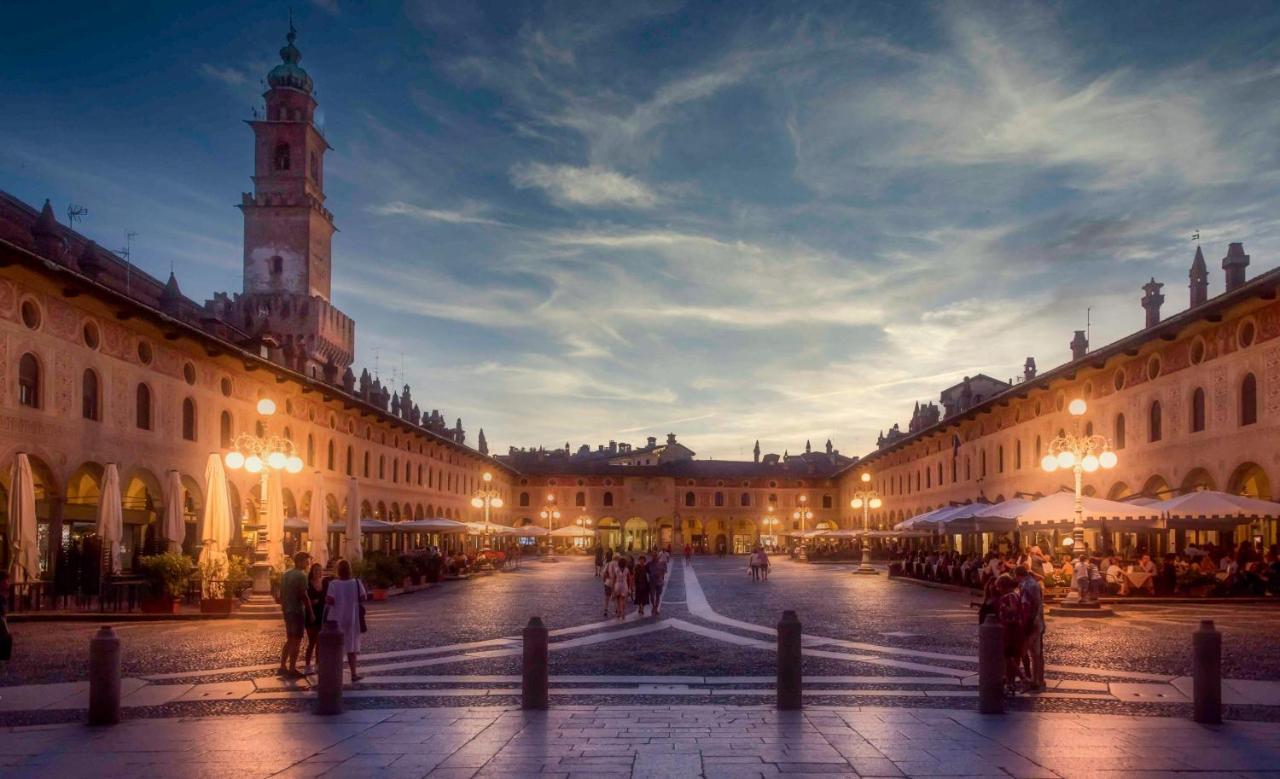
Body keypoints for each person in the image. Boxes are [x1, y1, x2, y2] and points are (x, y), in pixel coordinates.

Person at [325, 558, 367, 683]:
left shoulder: (333, 584)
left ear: (338, 570)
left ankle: (334, 674)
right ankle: (353, 673)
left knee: (335, 647)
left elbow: (329, 600)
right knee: (351, 646)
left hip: (336, 618)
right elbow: (363, 597)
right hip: (352, 617)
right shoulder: (356, 582)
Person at [278, 551, 312, 679]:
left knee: (290, 639)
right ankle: (292, 668)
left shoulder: (286, 574)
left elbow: (280, 595)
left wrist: (284, 607)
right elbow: (304, 595)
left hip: (287, 611)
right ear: (300, 561)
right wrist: (311, 612)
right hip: (297, 611)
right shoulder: (301, 576)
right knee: (296, 641)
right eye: (306, 560)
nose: (308, 563)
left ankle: (282, 666)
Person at [995, 574, 1026, 695]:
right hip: (1015, 628)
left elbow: (1013, 609)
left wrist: (1003, 607)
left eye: (999, 587)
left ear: (1004, 586)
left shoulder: (1010, 596)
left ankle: (1022, 679)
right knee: (1012, 657)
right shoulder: (1016, 594)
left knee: (1007, 657)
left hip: (1010, 629)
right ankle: (1010, 682)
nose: (999, 590)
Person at [1015, 566, 1045, 691]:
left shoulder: (1025, 585)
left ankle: (1023, 678)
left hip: (1030, 622)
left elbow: (1026, 605)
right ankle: (1036, 679)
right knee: (1036, 653)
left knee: (1020, 652)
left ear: (1018, 575)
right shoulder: (1035, 584)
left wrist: (1024, 623)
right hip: (1038, 620)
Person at [302, 563, 328, 674]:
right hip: (311, 615)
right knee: (312, 641)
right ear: (312, 572)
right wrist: (311, 602)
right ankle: (307, 665)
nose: (317, 572)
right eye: (315, 570)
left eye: (319, 570)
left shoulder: (325, 583)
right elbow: (304, 599)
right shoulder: (308, 584)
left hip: (322, 614)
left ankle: (318, 664)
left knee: (320, 642)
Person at [612, 555, 633, 621]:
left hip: (618, 585)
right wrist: (630, 588)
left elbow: (613, 579)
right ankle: (623, 613)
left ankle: (618, 612)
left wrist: (613, 589)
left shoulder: (616, 569)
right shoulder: (627, 570)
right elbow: (629, 579)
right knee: (623, 600)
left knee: (618, 600)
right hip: (624, 585)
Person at [647, 551, 667, 616]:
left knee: (658, 596)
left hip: (659, 582)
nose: (654, 557)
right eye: (653, 556)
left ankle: (656, 608)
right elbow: (646, 571)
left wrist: (661, 576)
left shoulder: (661, 563)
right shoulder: (649, 564)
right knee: (652, 596)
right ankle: (653, 606)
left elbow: (664, 571)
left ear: (657, 556)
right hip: (652, 582)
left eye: (655, 556)